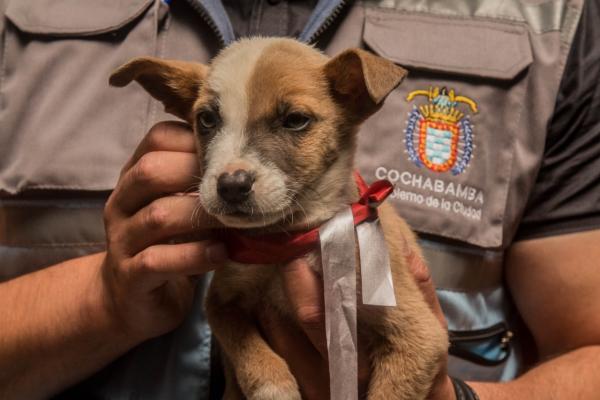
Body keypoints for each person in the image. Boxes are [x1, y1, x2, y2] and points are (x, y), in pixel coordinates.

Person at [0, 0, 599, 399]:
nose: (233, 174)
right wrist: (103, 302)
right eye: (208, 122)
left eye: (292, 121)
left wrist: (456, 397)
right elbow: (227, 309)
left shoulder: (550, 18)